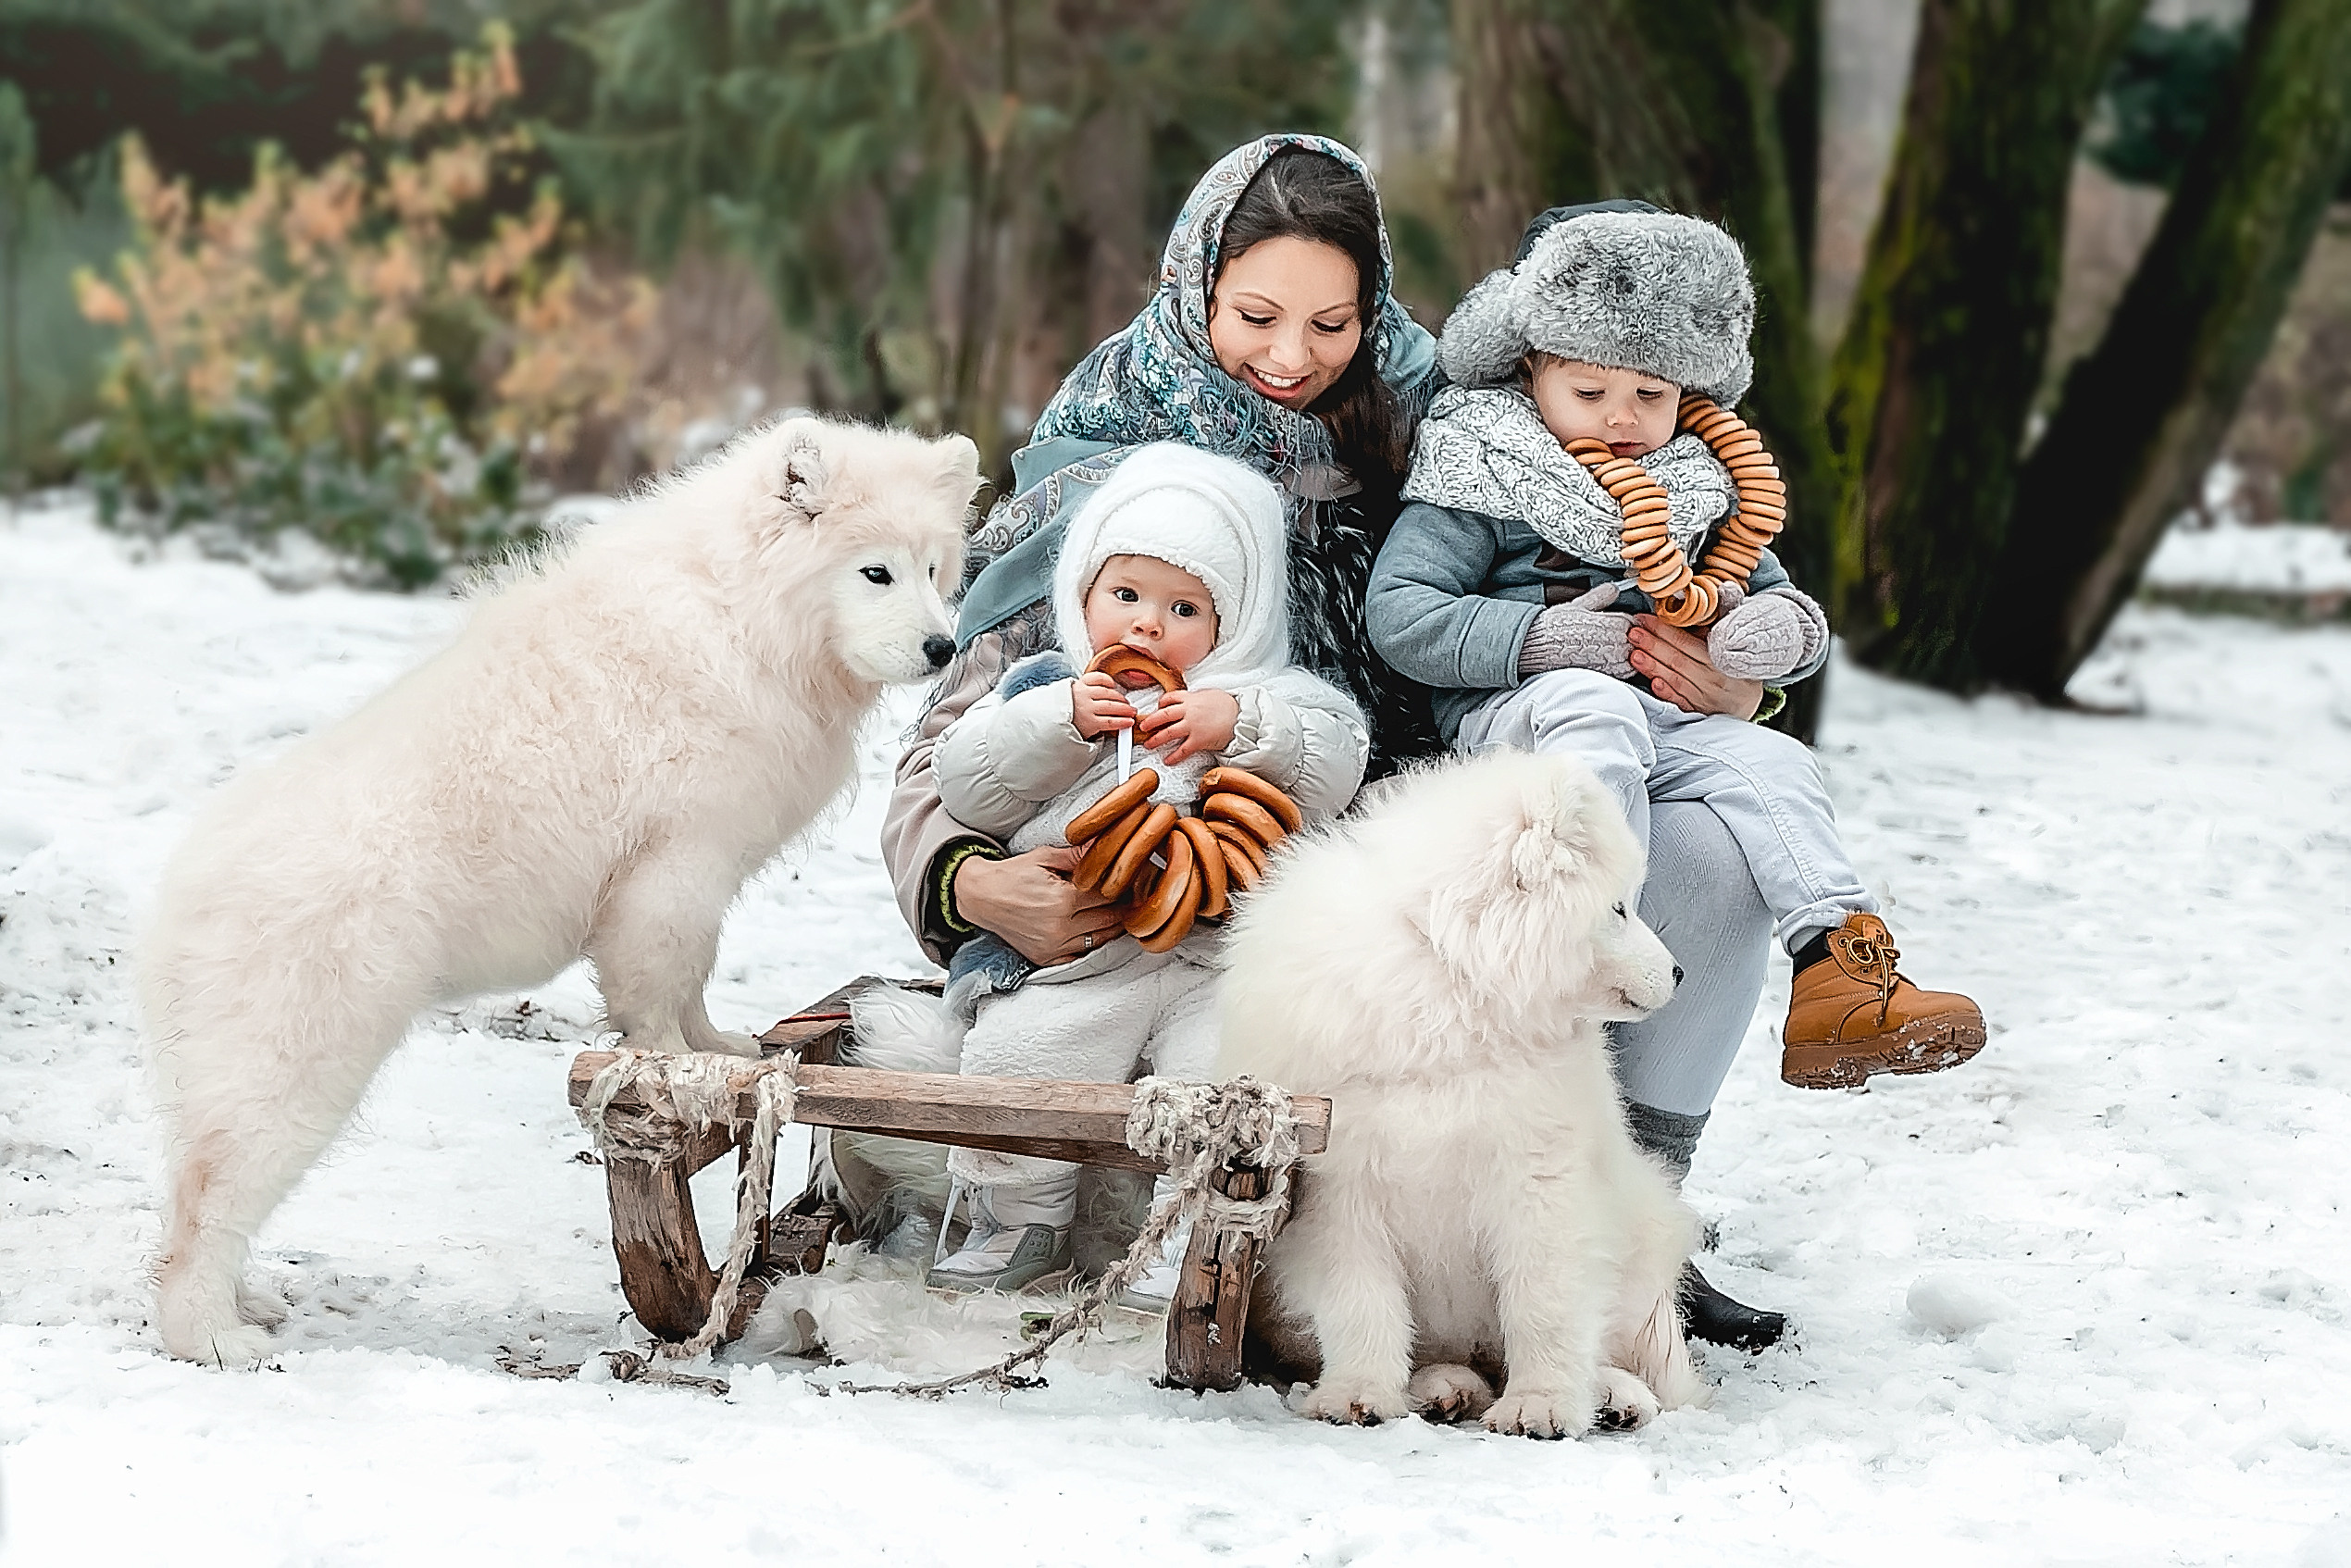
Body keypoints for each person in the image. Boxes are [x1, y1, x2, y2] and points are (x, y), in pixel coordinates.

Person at [882, 145, 1790, 1347]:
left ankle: (1621, 1233)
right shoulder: (1118, 472)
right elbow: (954, 750)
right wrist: (969, 882)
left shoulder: (1464, 430)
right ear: (1193, 287)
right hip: (1209, 900)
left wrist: (1726, 678)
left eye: (1333, 320)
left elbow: (1647, 549)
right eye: (1255, 315)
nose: (1293, 356)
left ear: (1377, 309)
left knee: (1718, 847)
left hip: (1425, 849)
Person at [1367, 200, 1987, 1102]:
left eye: (1649, 396)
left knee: (1773, 760)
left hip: (1664, 719)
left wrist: (1772, 634)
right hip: (1516, 721)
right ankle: (1596, 923)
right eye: (1589, 393)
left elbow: (1773, 600)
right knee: (1599, 703)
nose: (1620, 418)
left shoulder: (1694, 481)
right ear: (1529, 368)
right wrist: (1540, 639)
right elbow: (1401, 612)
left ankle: (1838, 967)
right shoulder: (1479, 468)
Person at [924, 443, 1367, 1300]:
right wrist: (1056, 722)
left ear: (1234, 620)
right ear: (1083, 595)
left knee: (1230, 1073)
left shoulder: (1269, 696)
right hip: (1081, 956)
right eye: (1124, 596)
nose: (1147, 627)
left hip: (1218, 961)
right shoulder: (1044, 687)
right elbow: (967, 787)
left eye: (1185, 607)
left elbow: (1337, 764)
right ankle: (1016, 1217)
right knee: (1021, 1054)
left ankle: (1186, 1230)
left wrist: (1240, 723)